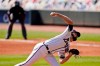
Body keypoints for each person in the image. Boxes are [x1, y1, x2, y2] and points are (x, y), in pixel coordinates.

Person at [15, 12, 81, 66]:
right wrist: (58, 14)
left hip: (48, 53)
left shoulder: (66, 47)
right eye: (76, 34)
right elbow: (70, 22)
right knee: (26, 64)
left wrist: (69, 55)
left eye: (76, 35)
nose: (76, 35)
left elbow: (61, 61)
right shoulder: (66, 34)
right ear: (72, 32)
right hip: (42, 48)